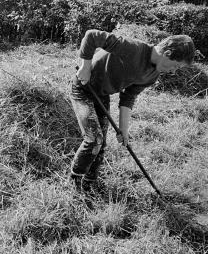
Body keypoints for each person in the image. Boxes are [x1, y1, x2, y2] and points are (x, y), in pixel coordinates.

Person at [71, 29, 197, 191]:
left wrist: (123, 129)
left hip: (101, 95)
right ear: (167, 53)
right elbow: (91, 36)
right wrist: (85, 67)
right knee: (94, 140)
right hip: (82, 88)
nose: (173, 71)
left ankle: (89, 183)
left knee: (101, 145)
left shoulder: (152, 75)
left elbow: (129, 96)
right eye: (176, 66)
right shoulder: (133, 48)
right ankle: (74, 185)